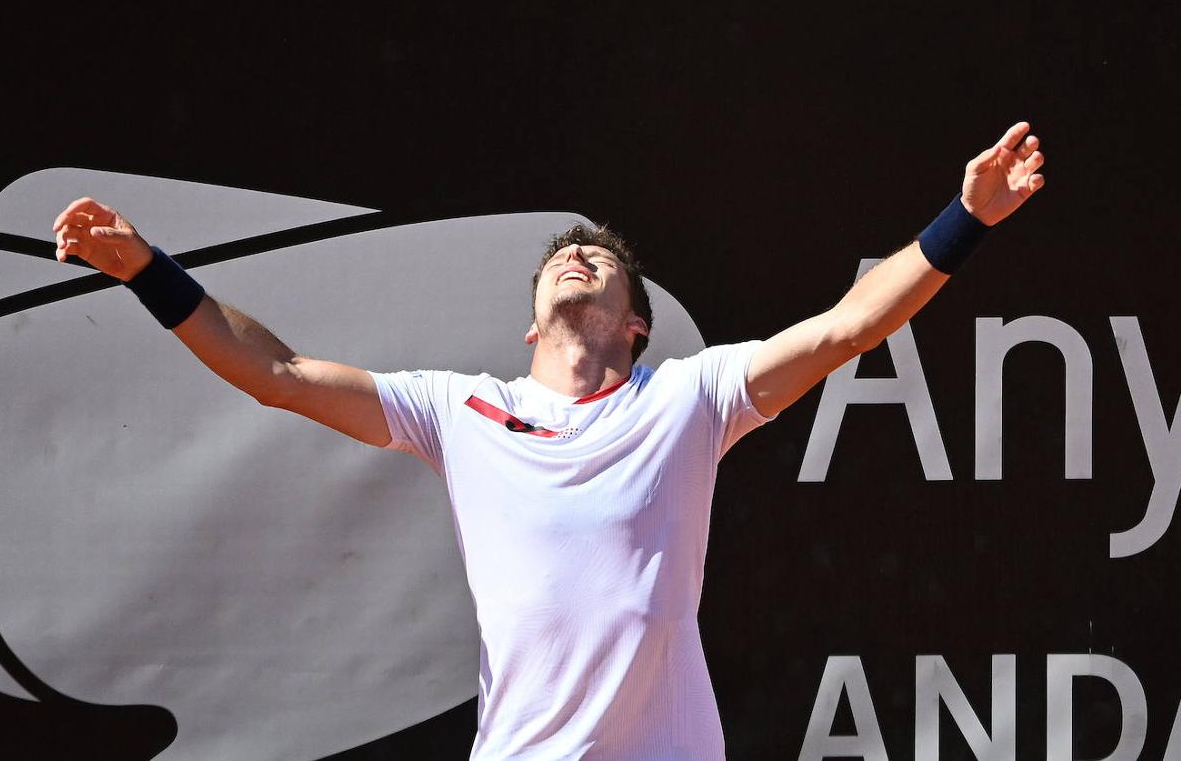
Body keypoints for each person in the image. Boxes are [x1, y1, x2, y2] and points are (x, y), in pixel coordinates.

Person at [51, 122, 1045, 760]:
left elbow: (846, 327)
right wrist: (146, 270)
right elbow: (278, 374)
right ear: (533, 323)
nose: (580, 253)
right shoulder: (458, 409)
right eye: (565, 257)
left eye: (603, 260)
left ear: (636, 322)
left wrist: (966, 218)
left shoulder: (690, 397)